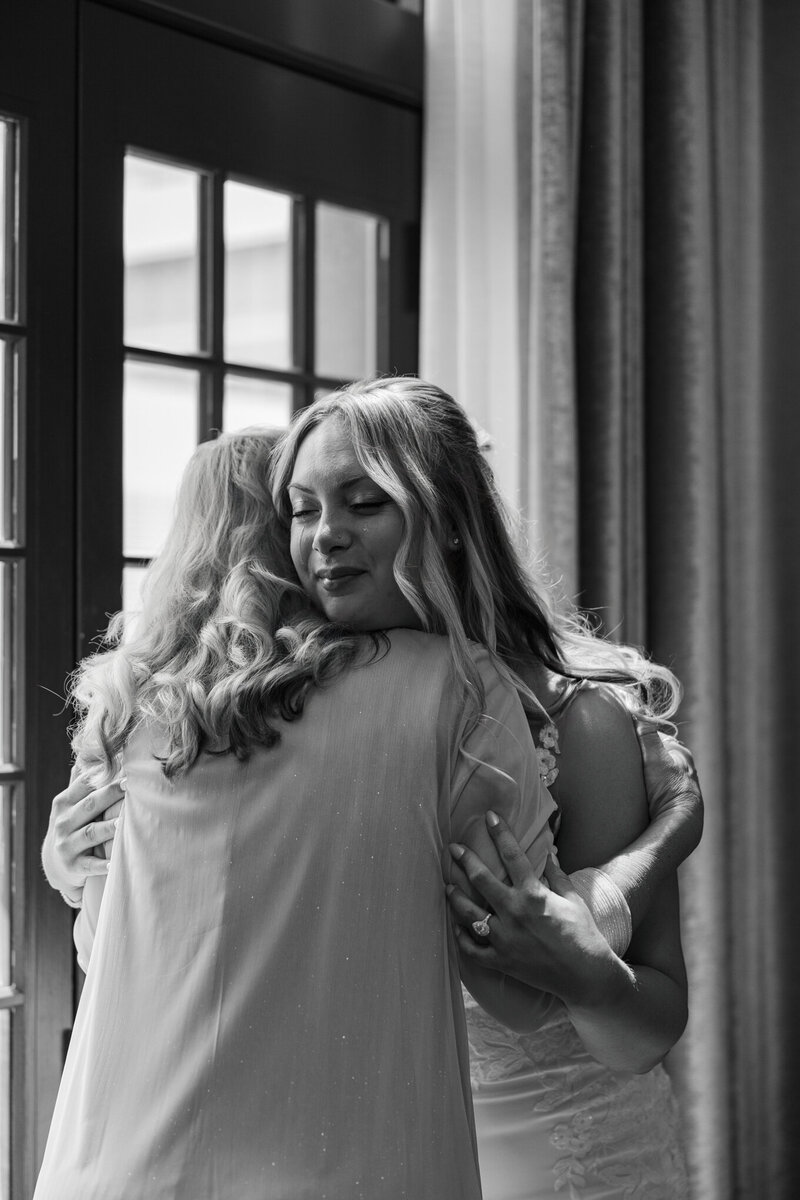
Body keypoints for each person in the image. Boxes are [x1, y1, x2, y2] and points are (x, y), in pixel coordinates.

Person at [42, 377, 700, 1197]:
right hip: (358, 1149)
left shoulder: (575, 719)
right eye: (302, 510)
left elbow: (644, 1029)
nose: (326, 536)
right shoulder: (288, 707)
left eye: (364, 503)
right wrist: (81, 865)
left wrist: (630, 887)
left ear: (449, 518)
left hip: (556, 1156)